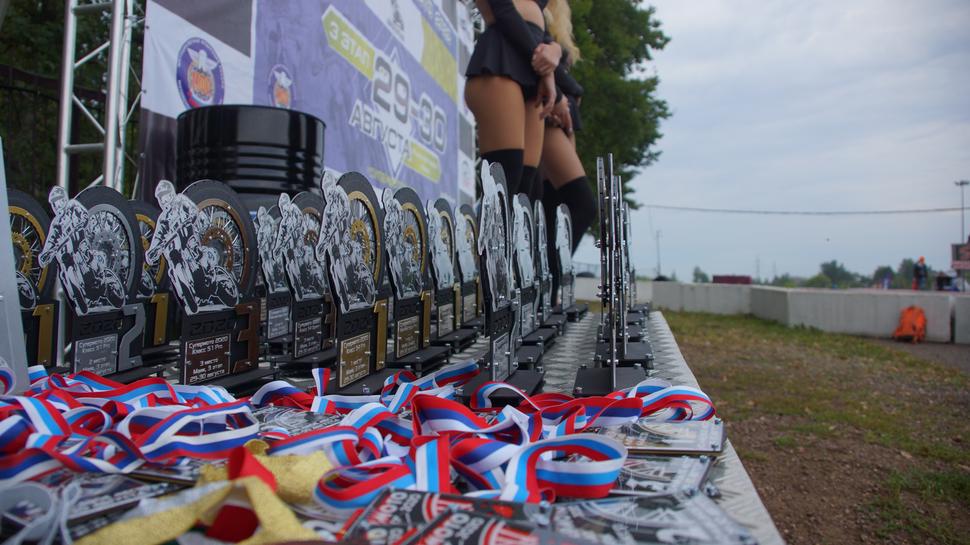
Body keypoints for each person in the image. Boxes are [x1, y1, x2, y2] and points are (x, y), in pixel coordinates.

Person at [465, 0, 562, 197]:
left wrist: (554, 49)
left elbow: (539, 27)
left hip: (530, 67)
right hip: (501, 58)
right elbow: (502, 9)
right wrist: (546, 71)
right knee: (505, 179)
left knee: (525, 188)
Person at [537, 0, 595, 253]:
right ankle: (551, 274)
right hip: (549, 110)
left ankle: (548, 276)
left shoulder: (556, 16)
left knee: (552, 204)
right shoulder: (535, 12)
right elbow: (531, 50)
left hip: (560, 114)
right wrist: (572, 90)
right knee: (580, 205)